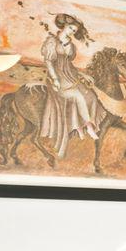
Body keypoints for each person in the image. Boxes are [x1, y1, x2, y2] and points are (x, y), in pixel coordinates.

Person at [37, 13, 100, 158]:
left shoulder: (70, 44)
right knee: (77, 96)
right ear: (64, 26)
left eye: (74, 30)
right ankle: (88, 126)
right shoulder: (52, 41)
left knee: (90, 96)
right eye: (71, 28)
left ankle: (78, 127)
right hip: (57, 77)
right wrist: (55, 79)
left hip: (70, 75)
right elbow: (48, 62)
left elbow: (69, 62)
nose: (72, 31)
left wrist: (83, 74)